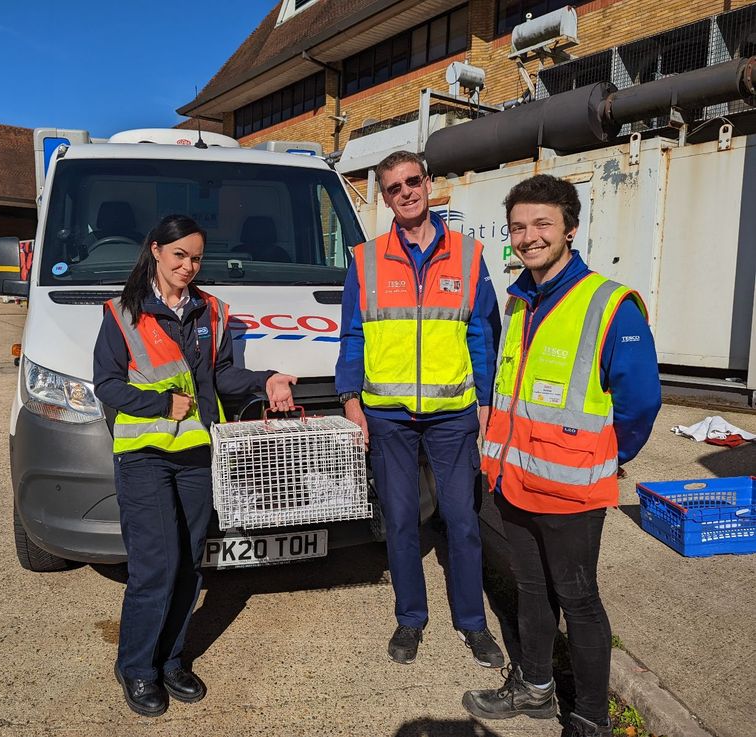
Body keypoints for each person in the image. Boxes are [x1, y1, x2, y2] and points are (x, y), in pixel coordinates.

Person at [462, 175, 661, 737]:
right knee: (531, 590)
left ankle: (591, 719)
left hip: (571, 491)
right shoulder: (519, 300)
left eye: (542, 224)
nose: (529, 236)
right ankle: (535, 689)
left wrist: (608, 454)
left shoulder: (609, 303)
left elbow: (641, 400)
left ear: (570, 229)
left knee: (579, 600)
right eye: (518, 227)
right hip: (515, 482)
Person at [93, 214, 297, 717]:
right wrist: (162, 404)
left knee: (188, 563)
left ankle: (170, 660)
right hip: (144, 457)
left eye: (196, 258)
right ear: (156, 251)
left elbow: (221, 376)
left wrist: (267, 378)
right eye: (179, 255)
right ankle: (136, 667)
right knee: (154, 567)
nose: (188, 266)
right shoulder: (123, 312)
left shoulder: (212, 312)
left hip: (197, 458)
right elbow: (107, 385)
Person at [335, 150, 505, 668]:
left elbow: (483, 335)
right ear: (385, 199)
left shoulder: (469, 256)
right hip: (387, 415)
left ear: (428, 183)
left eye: (413, 181)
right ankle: (410, 618)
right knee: (402, 520)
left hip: (453, 414)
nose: (406, 192)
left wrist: (485, 402)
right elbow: (352, 335)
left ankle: (472, 622)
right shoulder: (365, 259)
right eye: (394, 188)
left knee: (463, 520)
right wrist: (350, 399)